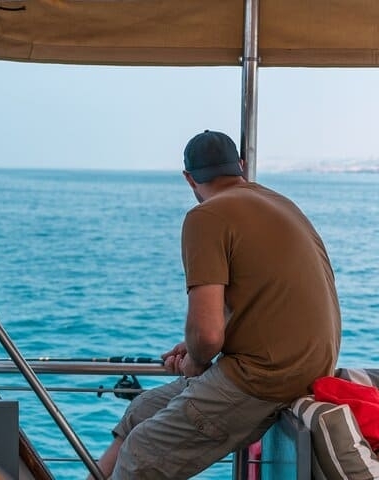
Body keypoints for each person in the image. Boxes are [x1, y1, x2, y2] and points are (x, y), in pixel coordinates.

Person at [91, 130, 341, 479]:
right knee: (141, 411)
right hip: (306, 368)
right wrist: (200, 348)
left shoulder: (206, 216)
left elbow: (207, 336)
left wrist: (196, 356)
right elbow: (260, 304)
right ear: (240, 166)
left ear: (189, 178)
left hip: (265, 378)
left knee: (143, 451)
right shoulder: (281, 203)